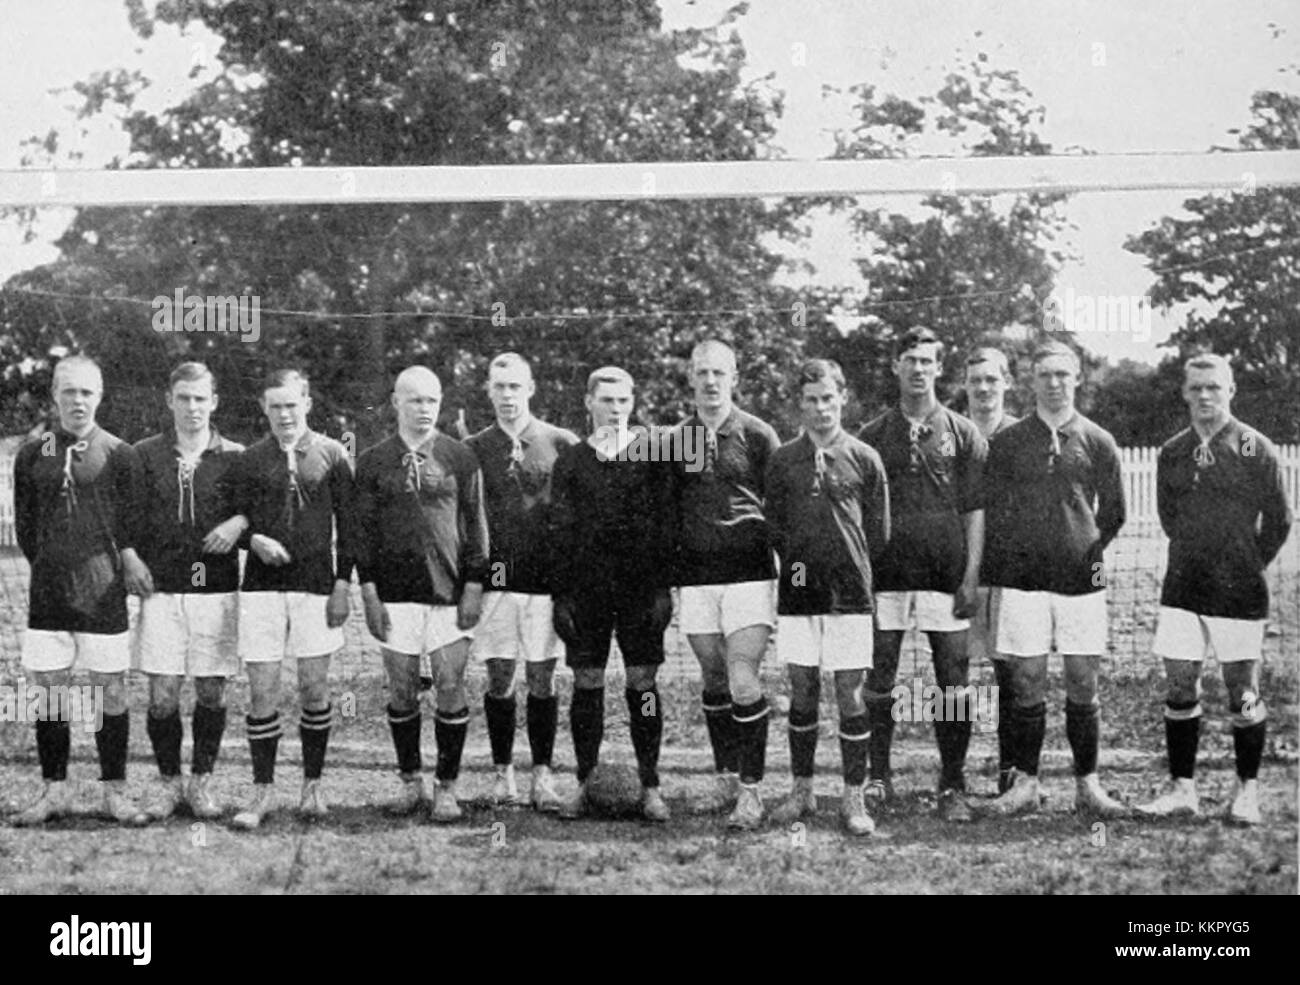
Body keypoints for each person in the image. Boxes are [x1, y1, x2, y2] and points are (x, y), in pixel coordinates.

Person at [1135, 354, 1291, 825]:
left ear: (1231, 390)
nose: (1205, 396)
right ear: (1184, 392)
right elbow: (1168, 518)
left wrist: (1244, 564)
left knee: (1242, 691)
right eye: (1196, 388)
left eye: (1214, 388)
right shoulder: (1173, 451)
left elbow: (1280, 520)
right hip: (1183, 585)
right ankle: (1183, 788)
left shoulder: (1255, 447)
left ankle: (1247, 791)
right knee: (1181, 683)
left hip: (1239, 590)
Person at [982, 341, 1128, 818]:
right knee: (1026, 681)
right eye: (1044, 374)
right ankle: (1026, 783)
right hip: (1024, 582)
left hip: (1080, 583)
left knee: (1082, 682)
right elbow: (994, 513)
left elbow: (1116, 513)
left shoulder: (1098, 440)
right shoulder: (1007, 442)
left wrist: (1082, 551)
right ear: (1032, 380)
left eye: (1062, 374)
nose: (1053, 382)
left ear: (1077, 378)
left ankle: (1089, 785)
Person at [9, 355, 151, 826]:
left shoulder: (120, 453)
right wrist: (53, 565)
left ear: (100, 396)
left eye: (87, 392)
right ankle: (54, 791)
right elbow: (27, 529)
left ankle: (115, 792)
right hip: (48, 595)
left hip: (103, 594)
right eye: (69, 391)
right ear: (54, 395)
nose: (78, 400)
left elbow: (132, 526)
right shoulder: (33, 453)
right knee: (48, 692)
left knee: (110, 690)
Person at [858, 328, 986, 821]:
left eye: (926, 361)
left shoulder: (962, 432)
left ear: (938, 367)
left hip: (944, 576)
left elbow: (976, 510)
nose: (917, 368)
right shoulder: (872, 435)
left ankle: (953, 784)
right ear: (895, 366)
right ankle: (877, 778)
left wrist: (971, 574)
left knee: (951, 682)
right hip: (887, 577)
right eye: (909, 359)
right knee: (880, 678)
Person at [226, 369, 357, 830]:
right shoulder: (248, 459)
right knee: (262, 690)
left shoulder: (333, 453)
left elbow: (352, 527)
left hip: (315, 589)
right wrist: (253, 541)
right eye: (275, 406)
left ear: (307, 402)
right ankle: (262, 792)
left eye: (291, 404)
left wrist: (342, 584)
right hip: (261, 591)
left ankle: (313, 788)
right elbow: (234, 522)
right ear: (264, 408)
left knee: (314, 688)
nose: (284, 414)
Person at [357, 366, 489, 823]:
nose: (424, 408)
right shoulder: (372, 461)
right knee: (402, 689)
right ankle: (410, 782)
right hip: (395, 596)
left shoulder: (460, 456)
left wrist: (475, 585)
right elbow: (361, 536)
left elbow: (477, 528)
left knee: (451, 686)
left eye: (431, 400)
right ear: (396, 402)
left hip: (450, 594)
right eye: (414, 400)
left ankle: (447, 788)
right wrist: (370, 594)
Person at [767, 360, 890, 836]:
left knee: (849, 691)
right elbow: (774, 526)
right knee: (802, 688)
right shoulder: (782, 460)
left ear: (843, 399)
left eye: (828, 399)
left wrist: (847, 564)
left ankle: (854, 798)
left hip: (850, 595)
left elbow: (878, 533)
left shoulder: (865, 457)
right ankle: (802, 792)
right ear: (800, 404)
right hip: (800, 593)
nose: (821, 408)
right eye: (811, 400)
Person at [551, 366, 676, 822]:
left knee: (643, 684)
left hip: (641, 589)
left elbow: (669, 526)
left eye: (624, 401)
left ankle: (650, 784)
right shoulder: (571, 462)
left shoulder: (655, 454)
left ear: (633, 402)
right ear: (589, 403)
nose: (616, 409)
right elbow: (559, 533)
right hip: (587, 591)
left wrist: (665, 587)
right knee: (588, 684)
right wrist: (559, 595)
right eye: (607, 400)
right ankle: (585, 783)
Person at [671, 340, 781, 830]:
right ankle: (726, 775)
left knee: (742, 677)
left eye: (720, 373)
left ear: (735, 378)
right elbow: (666, 511)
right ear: (690, 378)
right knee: (714, 678)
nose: (711, 382)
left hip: (748, 574)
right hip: (696, 578)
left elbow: (780, 509)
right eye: (702, 373)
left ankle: (752, 793)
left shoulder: (757, 435)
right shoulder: (677, 438)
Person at [132, 362, 247, 821]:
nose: (193, 407)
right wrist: (129, 557)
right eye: (184, 398)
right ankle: (166, 784)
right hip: (161, 592)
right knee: (162, 694)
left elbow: (259, 510)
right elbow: (126, 518)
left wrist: (238, 521)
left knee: (212, 692)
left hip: (216, 591)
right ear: (170, 400)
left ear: (214, 402)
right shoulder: (144, 455)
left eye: (201, 398)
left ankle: (201, 783)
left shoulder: (237, 456)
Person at [466, 353, 577, 811]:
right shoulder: (472, 447)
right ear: (488, 391)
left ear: (531, 388)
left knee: (542, 677)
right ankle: (502, 774)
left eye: (515, 387)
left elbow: (576, 518)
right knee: (498, 677)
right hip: (496, 581)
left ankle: (543, 778)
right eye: (499, 387)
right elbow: (467, 521)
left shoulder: (562, 442)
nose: (508, 396)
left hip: (545, 584)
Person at [961, 346, 1020, 794]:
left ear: (1007, 384)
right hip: (958, 573)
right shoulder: (952, 434)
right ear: (964, 385)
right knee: (955, 673)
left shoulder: (1024, 437)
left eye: (992, 380)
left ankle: (1011, 771)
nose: (984, 388)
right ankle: (953, 776)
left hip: (1009, 574)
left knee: (1009, 675)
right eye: (976, 380)